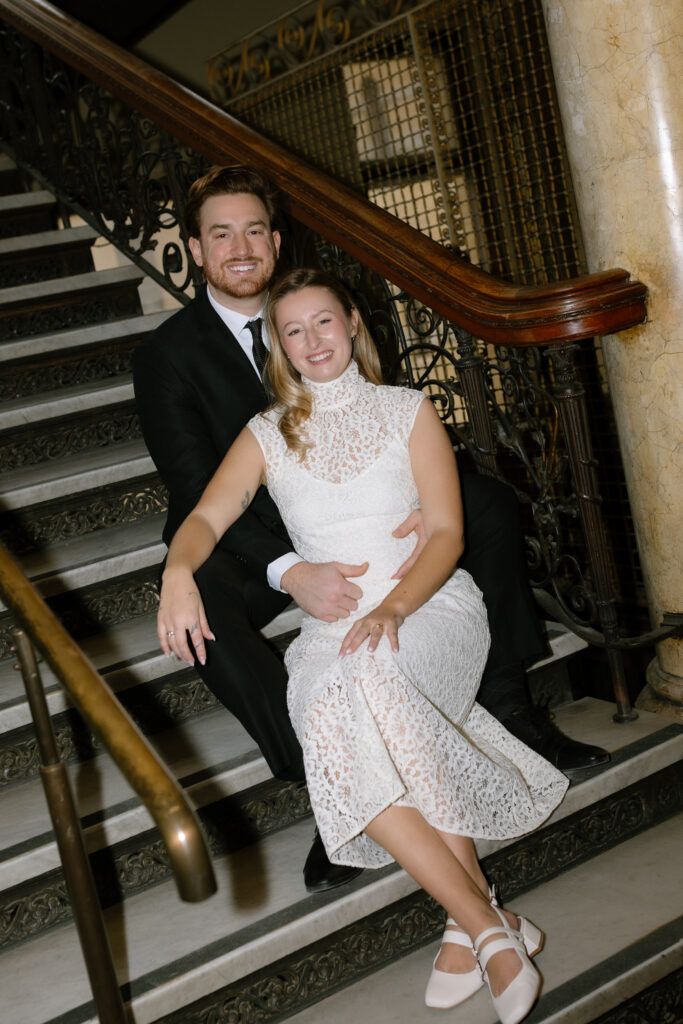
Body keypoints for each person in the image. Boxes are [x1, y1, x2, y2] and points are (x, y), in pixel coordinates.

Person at [132, 165, 607, 892]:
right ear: (195, 250)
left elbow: (384, 418)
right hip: (250, 538)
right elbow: (200, 494)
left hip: (356, 519)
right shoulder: (166, 355)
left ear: (276, 240)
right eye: (219, 233)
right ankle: (331, 782)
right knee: (201, 600)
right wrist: (289, 568)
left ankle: (510, 702)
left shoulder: (324, 309)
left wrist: (407, 494)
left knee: (482, 503)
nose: (239, 246)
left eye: (253, 229)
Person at [157, 268, 569, 1024]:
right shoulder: (264, 432)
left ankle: (477, 928)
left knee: (373, 677)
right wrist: (178, 570)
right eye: (293, 330)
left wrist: (396, 607)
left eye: (324, 323)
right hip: (330, 634)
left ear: (350, 324)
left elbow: (446, 532)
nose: (312, 341)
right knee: (330, 710)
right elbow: (205, 518)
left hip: (430, 608)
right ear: (276, 346)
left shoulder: (406, 410)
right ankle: (483, 924)